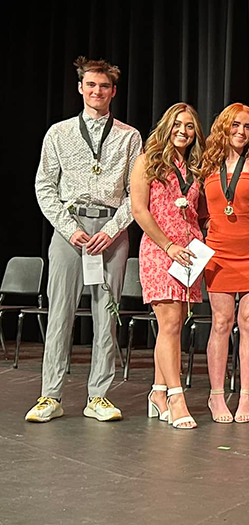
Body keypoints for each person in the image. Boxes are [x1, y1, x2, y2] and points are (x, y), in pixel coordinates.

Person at [28, 57, 142, 423]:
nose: (97, 91)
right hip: (70, 230)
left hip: (111, 231)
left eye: (104, 86)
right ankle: (50, 394)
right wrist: (67, 227)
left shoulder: (129, 136)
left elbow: (135, 194)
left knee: (105, 316)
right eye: (91, 85)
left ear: (113, 91)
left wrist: (110, 231)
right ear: (80, 87)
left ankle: (99, 396)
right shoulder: (58, 133)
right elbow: (44, 186)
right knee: (60, 312)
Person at [129, 103, 206, 429]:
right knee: (171, 324)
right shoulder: (147, 161)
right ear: (166, 126)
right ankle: (176, 397)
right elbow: (139, 210)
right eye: (177, 125)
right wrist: (168, 246)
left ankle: (158, 392)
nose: (183, 131)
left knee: (173, 326)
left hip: (189, 253)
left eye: (189, 126)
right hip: (161, 250)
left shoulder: (194, 168)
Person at [200, 103, 249, 423]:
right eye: (236, 126)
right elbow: (197, 208)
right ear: (224, 128)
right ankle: (217, 397)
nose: (242, 132)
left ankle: (245, 397)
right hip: (217, 251)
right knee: (221, 322)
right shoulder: (207, 164)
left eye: (248, 127)